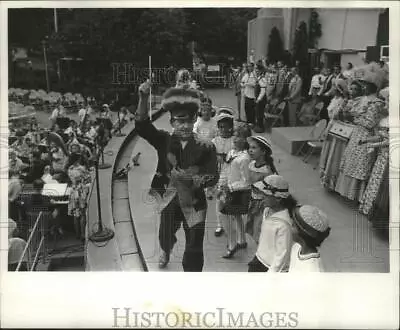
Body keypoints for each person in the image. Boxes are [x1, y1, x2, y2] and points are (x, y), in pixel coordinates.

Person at [134, 81, 219, 271]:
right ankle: (165, 249)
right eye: (180, 121)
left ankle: (192, 277)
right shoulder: (164, 140)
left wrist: (195, 179)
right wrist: (143, 98)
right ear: (172, 122)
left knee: (195, 248)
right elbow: (142, 126)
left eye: (189, 121)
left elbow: (213, 176)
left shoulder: (207, 146)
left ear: (194, 121)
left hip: (195, 202)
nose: (185, 125)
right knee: (165, 233)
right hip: (169, 199)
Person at [335, 63, 387, 202]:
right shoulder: (365, 100)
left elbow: (370, 123)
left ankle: (357, 196)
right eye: (362, 84)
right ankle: (347, 193)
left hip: (366, 136)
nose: (363, 86)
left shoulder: (377, 103)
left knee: (361, 164)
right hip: (358, 133)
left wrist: (354, 118)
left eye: (365, 84)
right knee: (351, 161)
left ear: (373, 86)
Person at [248, 175, 298, 272]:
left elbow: (282, 255)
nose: (262, 197)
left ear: (278, 198)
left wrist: (271, 275)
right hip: (259, 258)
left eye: (266, 195)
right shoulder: (267, 210)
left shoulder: (284, 225)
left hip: (269, 267)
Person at [219, 124, 252, 259]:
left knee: (227, 217)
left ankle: (232, 245)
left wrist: (231, 188)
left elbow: (247, 181)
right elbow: (226, 170)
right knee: (236, 217)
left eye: (239, 136)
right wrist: (221, 184)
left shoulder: (245, 158)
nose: (235, 138)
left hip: (237, 192)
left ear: (246, 140)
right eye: (235, 135)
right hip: (228, 189)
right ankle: (242, 240)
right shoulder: (232, 152)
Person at [245, 136, 278, 243]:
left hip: (263, 205)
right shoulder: (251, 165)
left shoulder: (267, 171)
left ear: (263, 151)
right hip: (253, 202)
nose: (250, 150)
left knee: (260, 231)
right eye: (249, 147)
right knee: (255, 230)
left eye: (254, 148)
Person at [319, 79, 351, 190]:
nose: (332, 89)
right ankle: (324, 176)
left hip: (336, 126)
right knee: (327, 150)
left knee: (333, 152)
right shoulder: (334, 99)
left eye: (334, 87)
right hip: (330, 125)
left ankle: (331, 179)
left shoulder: (343, 101)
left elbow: (337, 115)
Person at [358, 116, 389, 229]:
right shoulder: (388, 121)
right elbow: (380, 136)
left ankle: (371, 208)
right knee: (374, 182)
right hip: (381, 157)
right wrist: (367, 140)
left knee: (379, 184)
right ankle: (367, 207)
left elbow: (389, 141)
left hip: (388, 159)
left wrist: (372, 145)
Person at [212, 108, 235, 236]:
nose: (223, 130)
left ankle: (231, 223)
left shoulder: (234, 141)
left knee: (231, 199)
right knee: (219, 199)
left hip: (232, 174)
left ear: (231, 127)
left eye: (226, 127)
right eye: (221, 127)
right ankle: (220, 224)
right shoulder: (214, 141)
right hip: (220, 175)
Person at [289, 205, 331, 272]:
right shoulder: (296, 247)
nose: (289, 226)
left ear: (303, 233)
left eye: (293, 225)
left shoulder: (313, 270)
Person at [68, 153, 91, 240]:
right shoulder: (81, 168)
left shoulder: (69, 169)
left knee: (76, 214)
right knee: (83, 214)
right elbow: (88, 177)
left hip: (73, 191)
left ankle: (77, 234)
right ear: (77, 160)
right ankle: (82, 234)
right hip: (81, 191)